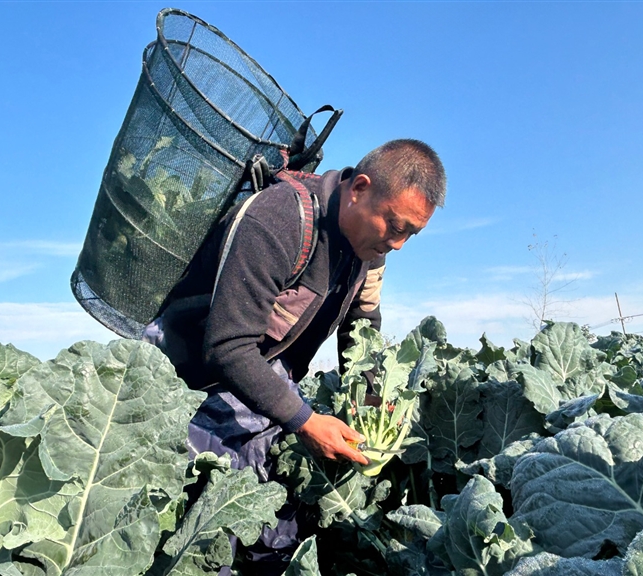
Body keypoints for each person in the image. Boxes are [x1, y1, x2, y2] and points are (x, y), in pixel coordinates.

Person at [142, 138, 446, 573]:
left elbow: (363, 326)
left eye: (410, 235)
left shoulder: (369, 251)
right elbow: (227, 346)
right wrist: (304, 420)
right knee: (206, 533)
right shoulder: (280, 218)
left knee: (278, 532)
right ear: (359, 189)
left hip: (263, 374)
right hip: (191, 380)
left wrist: (373, 398)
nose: (398, 245)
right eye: (395, 227)